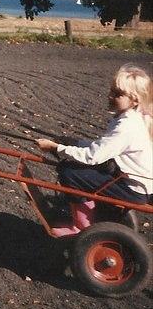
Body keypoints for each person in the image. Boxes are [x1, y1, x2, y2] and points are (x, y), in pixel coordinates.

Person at [35, 63, 153, 237]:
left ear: (134, 99)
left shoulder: (126, 126)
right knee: (76, 169)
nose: (111, 96)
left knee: (69, 173)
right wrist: (74, 143)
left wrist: (56, 148)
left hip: (132, 188)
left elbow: (92, 156)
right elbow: (103, 147)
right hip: (137, 183)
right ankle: (89, 216)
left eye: (118, 94)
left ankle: (81, 228)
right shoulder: (134, 118)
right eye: (112, 91)